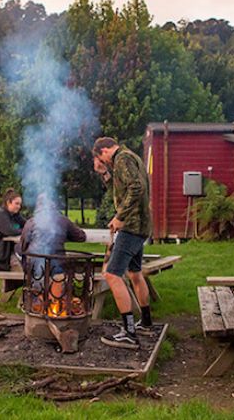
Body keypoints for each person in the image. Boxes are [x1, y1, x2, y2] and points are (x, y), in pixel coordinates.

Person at [92, 137, 153, 350]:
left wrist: (120, 217)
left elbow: (136, 188)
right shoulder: (129, 157)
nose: (103, 162)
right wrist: (104, 174)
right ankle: (145, 322)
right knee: (135, 273)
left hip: (131, 227)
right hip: (141, 225)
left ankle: (129, 332)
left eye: (101, 158)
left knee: (112, 275)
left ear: (105, 150)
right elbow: (122, 189)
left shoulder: (122, 159)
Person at [0, 188, 26, 271]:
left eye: (20, 204)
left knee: (25, 263)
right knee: (19, 267)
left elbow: (26, 225)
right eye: (16, 204)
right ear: (8, 203)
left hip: (5, 252)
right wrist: (25, 232)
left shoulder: (14, 215)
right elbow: (10, 231)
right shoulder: (1, 215)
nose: (19, 207)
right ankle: (14, 282)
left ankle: (16, 282)